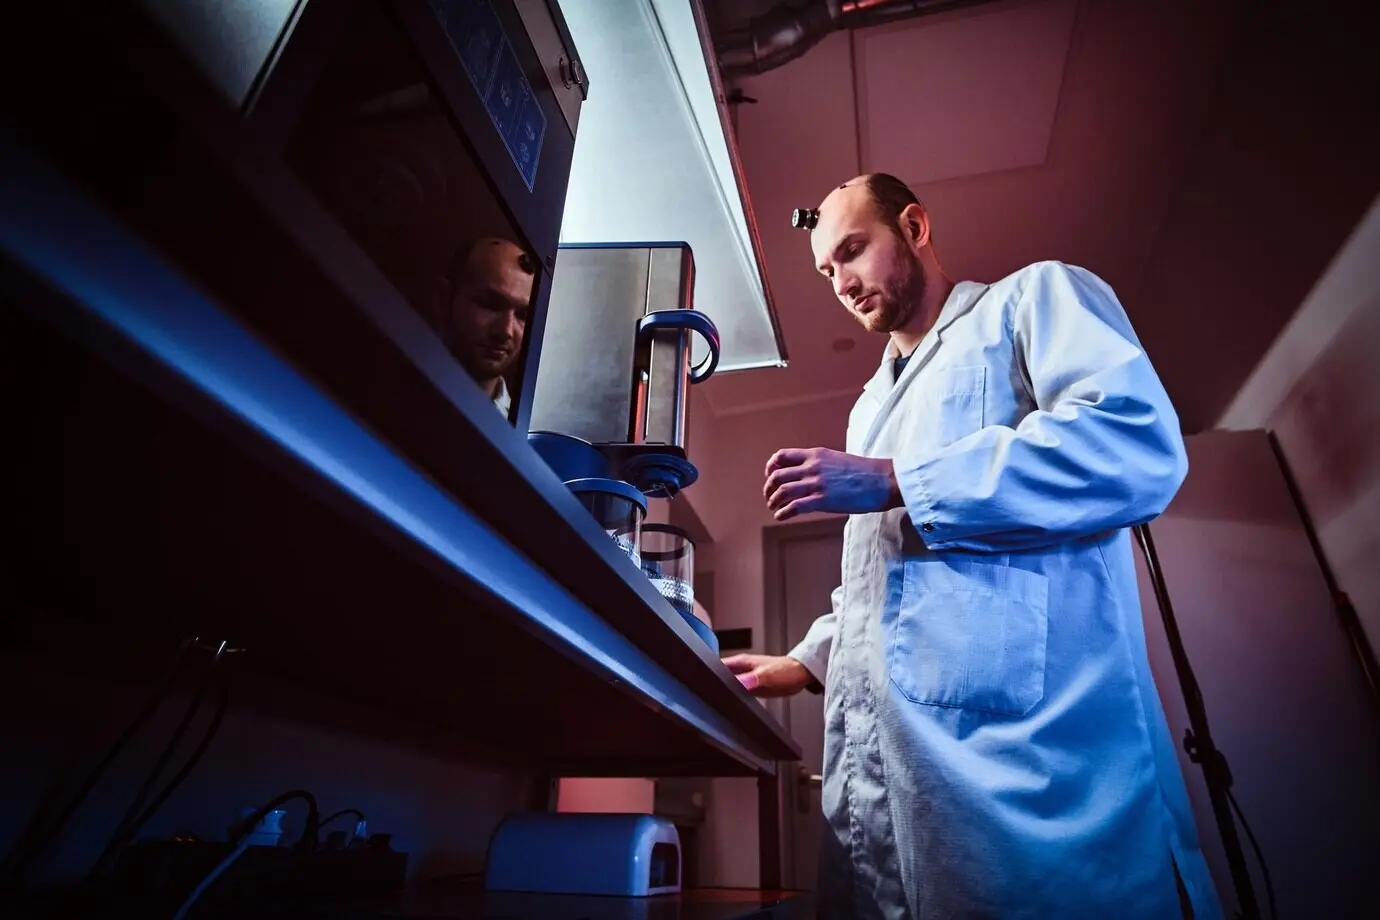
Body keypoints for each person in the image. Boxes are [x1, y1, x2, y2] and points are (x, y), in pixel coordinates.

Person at [723, 174, 1222, 919]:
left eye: (854, 251)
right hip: (913, 778)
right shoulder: (869, 408)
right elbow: (885, 581)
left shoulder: (1033, 300)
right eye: (828, 271)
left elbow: (1135, 445)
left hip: (1034, 769)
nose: (842, 282)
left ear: (915, 227)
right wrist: (806, 660)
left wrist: (898, 478)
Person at [428, 236, 535, 417]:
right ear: (444, 299)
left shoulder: (516, 433)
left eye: (522, 316)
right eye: (490, 305)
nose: (506, 331)